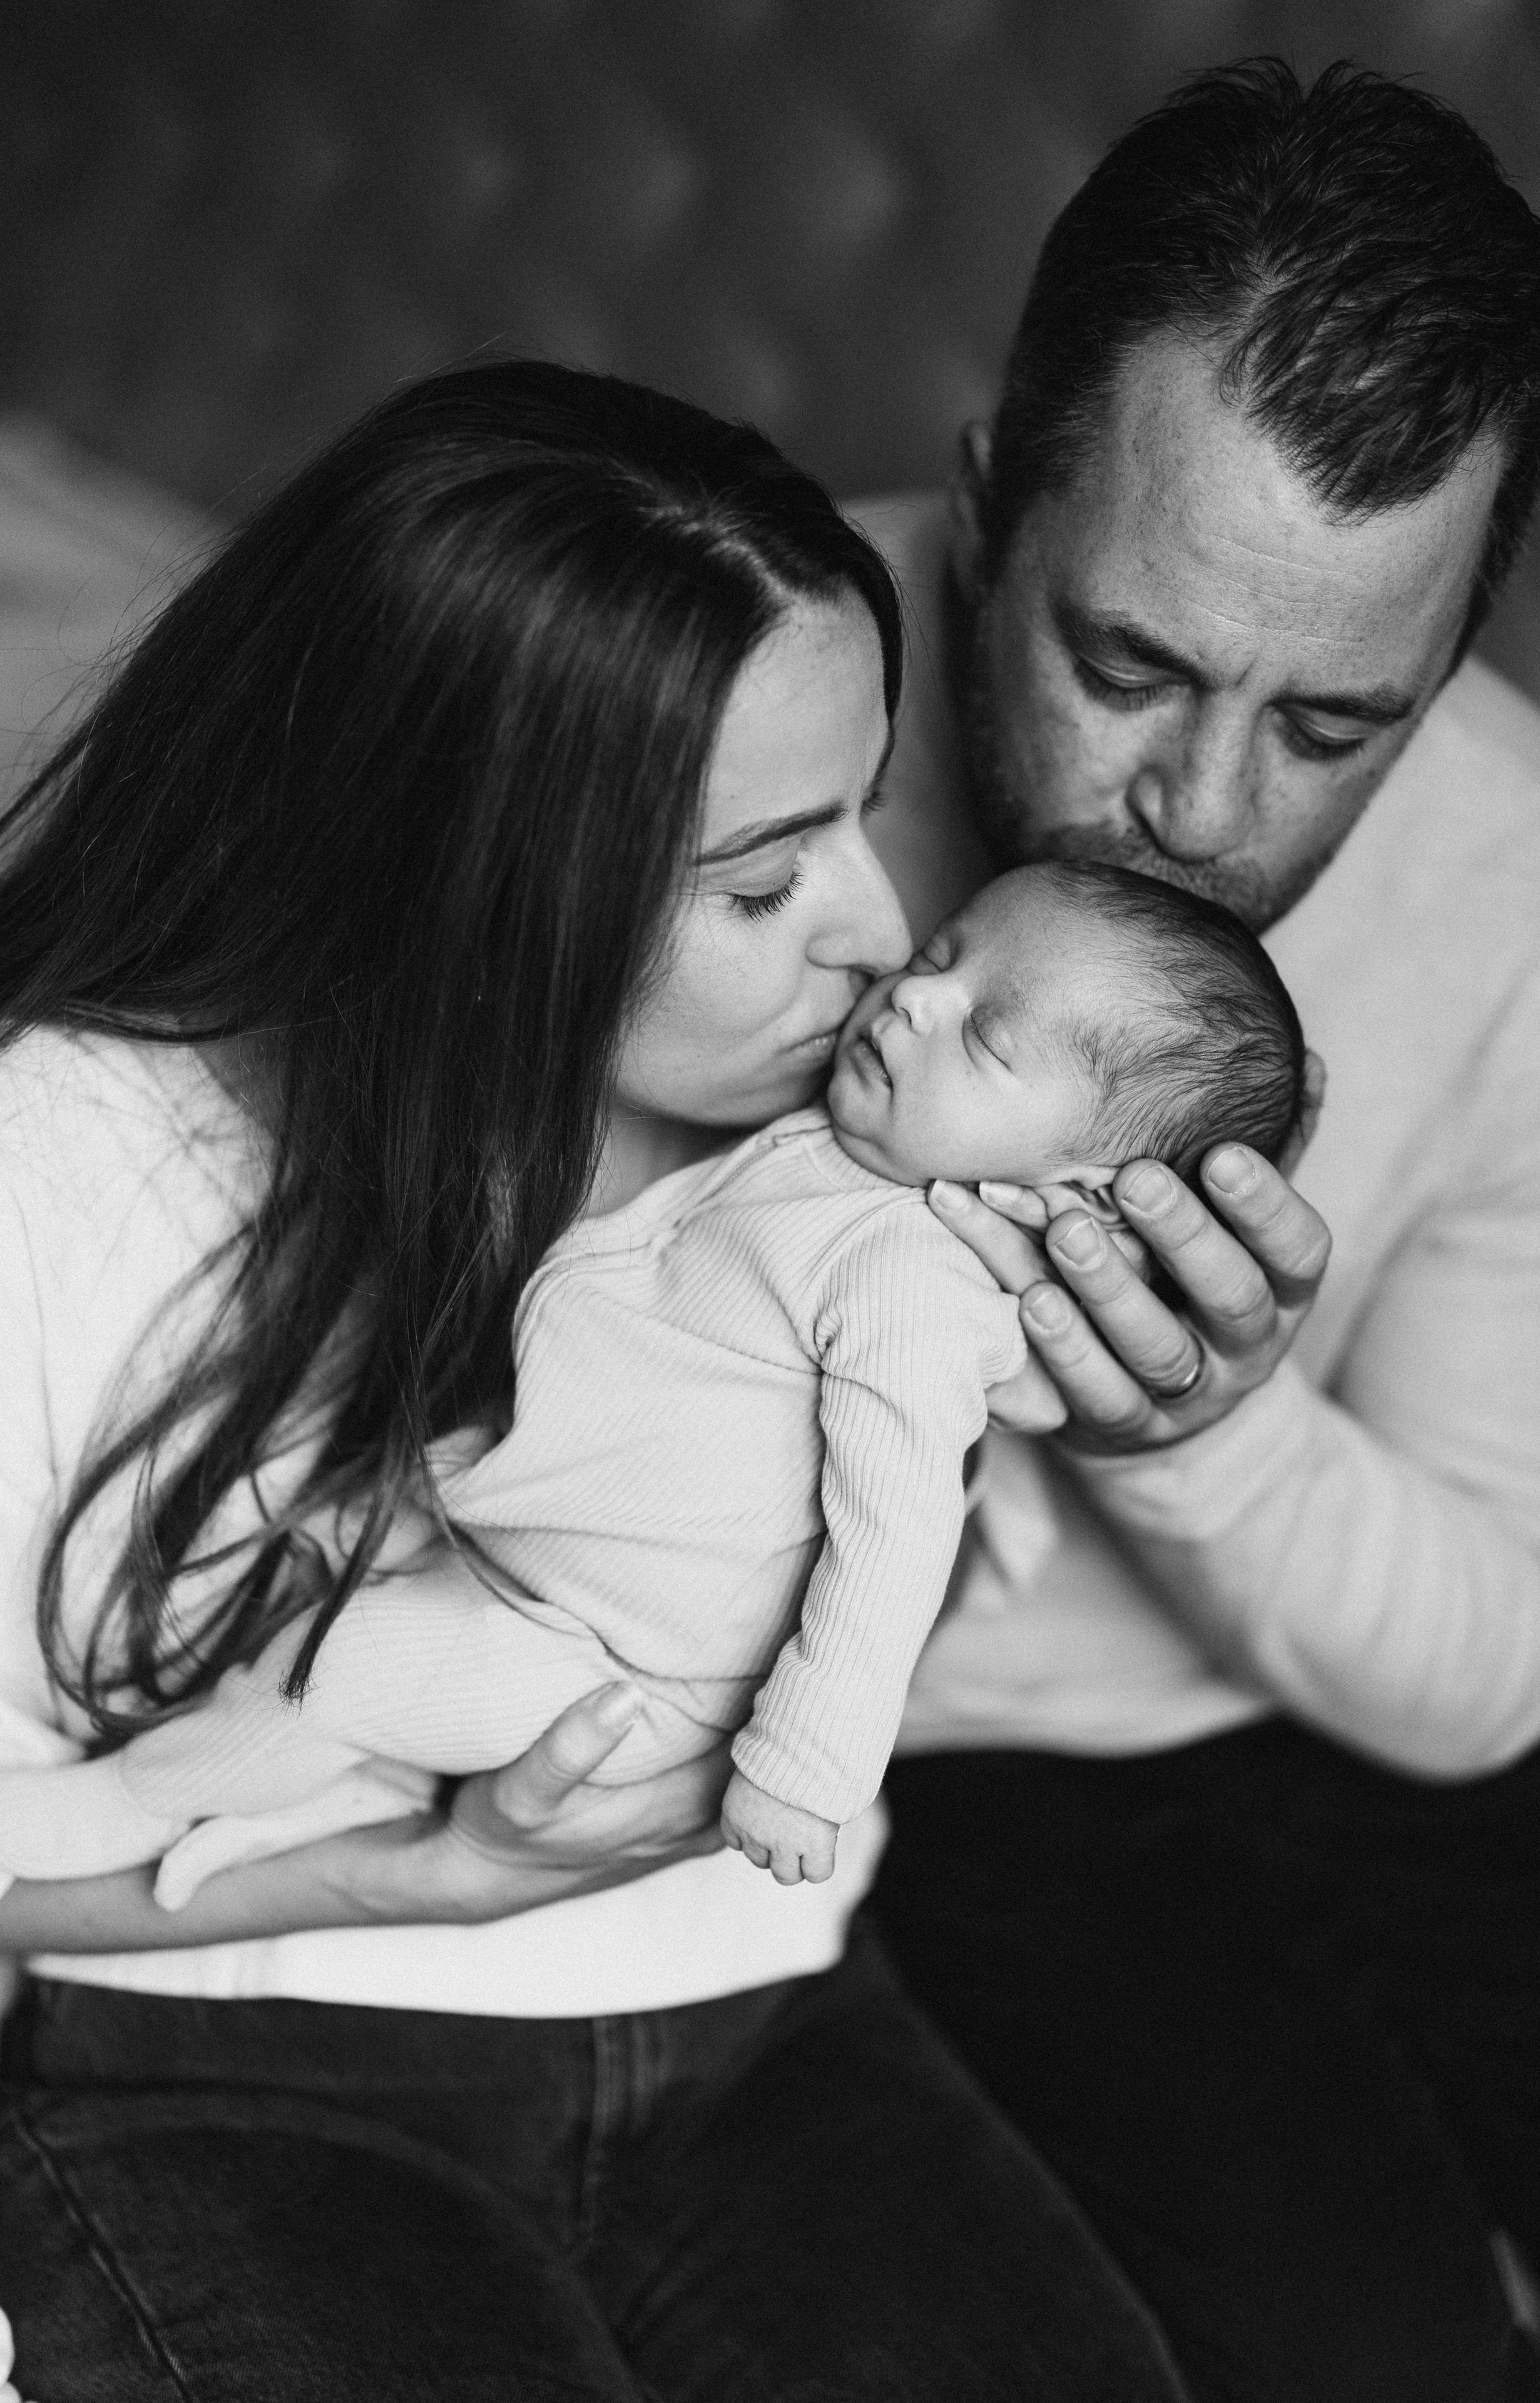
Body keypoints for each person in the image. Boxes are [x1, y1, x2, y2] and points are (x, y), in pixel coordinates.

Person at [0, 361, 1189, 2402]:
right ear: (465, 870)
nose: (883, 935)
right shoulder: (64, 1170)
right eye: (764, 881)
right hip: (239, 2060)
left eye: (867, 811)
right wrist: (408, 1875)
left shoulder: (870, 1129)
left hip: (773, 2023)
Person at [843, 58, 1540, 2403]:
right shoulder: (719, 740)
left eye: (1336, 725)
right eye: (1130, 667)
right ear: (992, 501)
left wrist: (1203, 1429)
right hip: (950, 1762)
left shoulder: (1527, 890)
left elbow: (1501, 1664)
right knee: (1368, 2357)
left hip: (1358, 1667)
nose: (1199, 809)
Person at [0, 858, 1302, 1899]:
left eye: (989, 1037)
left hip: (617, 1665)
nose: (913, 995)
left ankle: (130, 1806)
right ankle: (307, 1788)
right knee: (321, 1553)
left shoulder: (916, 1280)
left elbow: (893, 1534)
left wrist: (807, 1767)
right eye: (943, 954)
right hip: (536, 1538)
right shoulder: (839, 1149)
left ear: (1079, 1196)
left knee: (336, 1664)